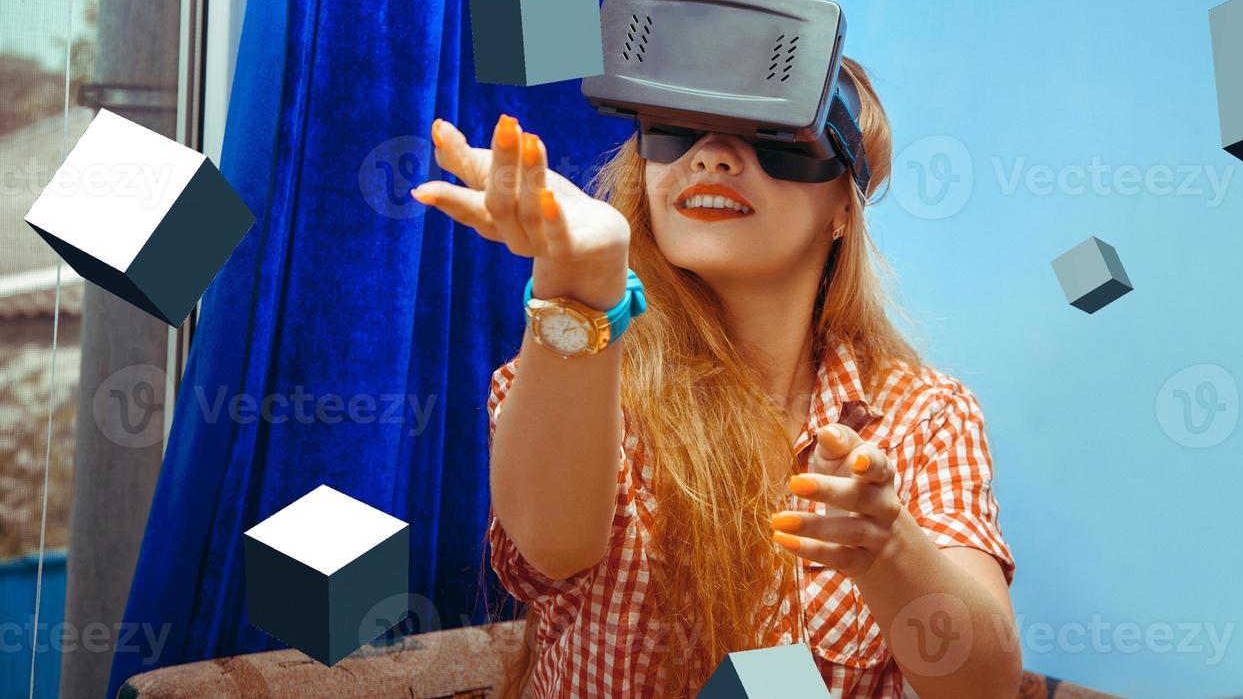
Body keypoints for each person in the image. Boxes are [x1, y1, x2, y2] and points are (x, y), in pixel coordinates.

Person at [411, 57, 1019, 698]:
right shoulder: (578, 372)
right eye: (680, 125)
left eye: (773, 133)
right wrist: (581, 283)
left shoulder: (924, 417)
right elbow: (551, 546)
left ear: (844, 202)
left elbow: (985, 687)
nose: (713, 156)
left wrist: (890, 547)